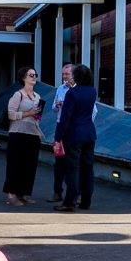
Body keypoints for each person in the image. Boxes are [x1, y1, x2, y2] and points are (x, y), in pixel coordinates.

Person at [55, 65, 99, 212]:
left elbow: (65, 117)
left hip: (73, 135)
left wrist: (58, 137)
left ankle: (69, 202)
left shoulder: (71, 93)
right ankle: (86, 201)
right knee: (88, 169)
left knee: (72, 169)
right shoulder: (92, 91)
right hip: (89, 133)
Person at [3, 67, 43, 206]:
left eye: (35, 75)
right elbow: (11, 114)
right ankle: (11, 194)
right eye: (31, 75)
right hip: (18, 133)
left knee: (29, 166)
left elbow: (36, 115)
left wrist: (37, 114)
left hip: (33, 133)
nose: (34, 77)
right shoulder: (18, 95)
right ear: (23, 77)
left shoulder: (37, 96)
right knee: (16, 164)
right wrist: (28, 113)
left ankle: (22, 193)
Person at [47, 63, 75, 204]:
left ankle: (75, 193)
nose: (64, 77)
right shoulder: (60, 89)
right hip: (60, 128)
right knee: (59, 159)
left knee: (73, 160)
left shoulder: (79, 90)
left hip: (72, 128)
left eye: (67, 74)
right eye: (63, 74)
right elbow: (53, 109)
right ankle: (57, 191)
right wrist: (57, 106)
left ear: (73, 75)